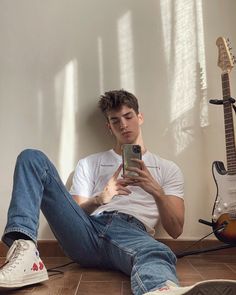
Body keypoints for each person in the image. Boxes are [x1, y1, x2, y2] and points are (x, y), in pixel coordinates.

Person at [0, 89, 235, 295]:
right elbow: (71, 214)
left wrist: (157, 192)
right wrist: (99, 199)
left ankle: (161, 290)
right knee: (32, 157)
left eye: (128, 116)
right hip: (86, 233)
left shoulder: (167, 169)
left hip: (133, 233)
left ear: (140, 117)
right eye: (115, 120)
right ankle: (25, 252)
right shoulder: (89, 163)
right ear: (108, 126)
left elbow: (175, 230)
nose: (123, 124)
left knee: (155, 251)